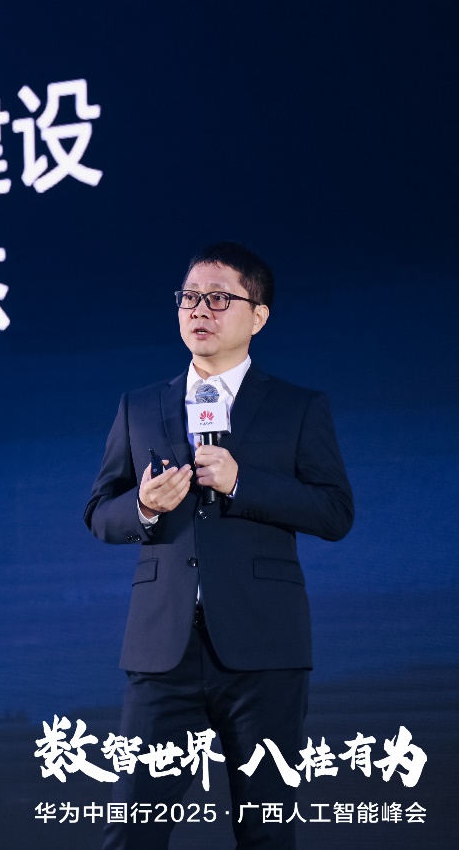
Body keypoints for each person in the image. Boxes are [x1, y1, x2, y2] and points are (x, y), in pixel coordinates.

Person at [85, 242, 353, 849]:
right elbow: (100, 512)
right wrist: (144, 507)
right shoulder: (139, 406)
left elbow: (335, 513)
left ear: (258, 315)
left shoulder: (297, 407)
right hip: (163, 651)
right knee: (132, 832)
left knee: (265, 832)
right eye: (189, 298)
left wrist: (242, 484)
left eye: (218, 298)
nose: (199, 310)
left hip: (264, 648)